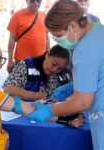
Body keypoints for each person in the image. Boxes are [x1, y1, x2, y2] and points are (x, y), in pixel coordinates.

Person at [27, 1, 104, 150]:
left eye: (58, 36)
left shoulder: (84, 49)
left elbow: (82, 103)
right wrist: (75, 86)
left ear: (72, 26)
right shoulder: (98, 30)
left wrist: (50, 110)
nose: (58, 41)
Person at [3, 45, 72, 101]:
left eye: (60, 68)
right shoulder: (26, 65)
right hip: (24, 112)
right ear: (47, 54)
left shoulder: (65, 75)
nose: (54, 70)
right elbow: (8, 88)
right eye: (54, 64)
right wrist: (33, 96)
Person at [7, 0, 50, 73]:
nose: (36, 3)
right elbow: (11, 41)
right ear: (27, 1)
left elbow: (47, 38)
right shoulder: (17, 16)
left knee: (39, 83)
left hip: (41, 59)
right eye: (32, 1)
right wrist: (10, 60)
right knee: (20, 83)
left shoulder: (44, 16)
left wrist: (48, 54)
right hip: (22, 60)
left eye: (39, 1)